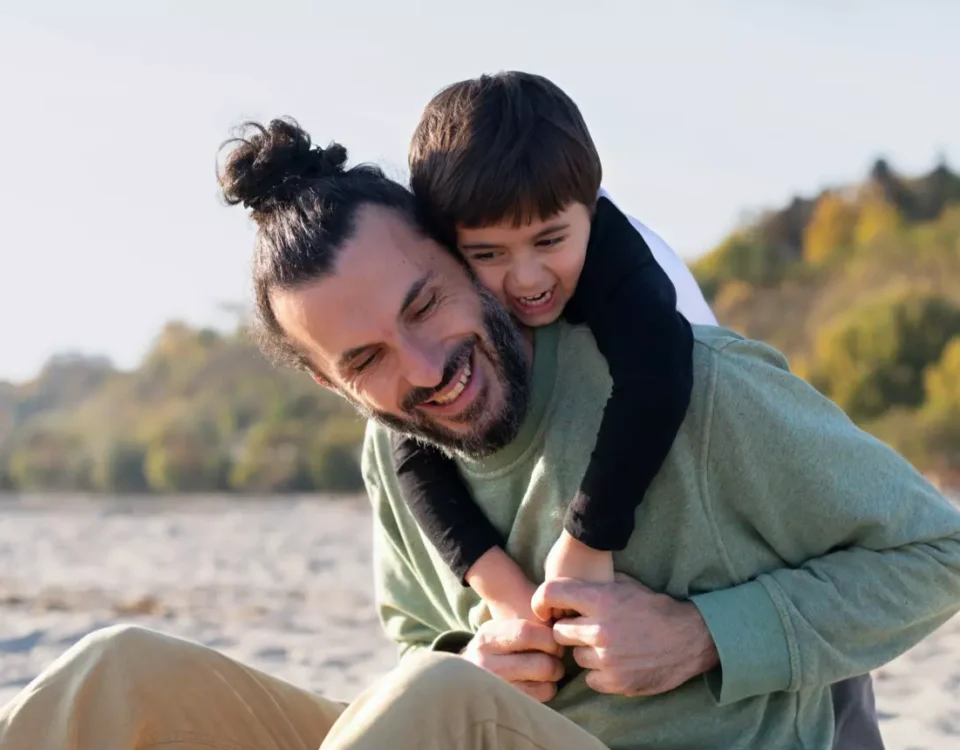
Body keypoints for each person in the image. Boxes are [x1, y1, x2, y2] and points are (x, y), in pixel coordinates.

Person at [3, 116, 960, 750]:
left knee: (433, 701)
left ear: (469, 258)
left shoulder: (700, 389)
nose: (422, 368)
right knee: (112, 673)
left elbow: (937, 548)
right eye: (366, 361)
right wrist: (473, 655)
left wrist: (706, 636)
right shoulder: (397, 449)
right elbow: (418, 634)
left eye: (424, 304)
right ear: (334, 385)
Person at [391, 72, 706, 624]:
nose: (527, 278)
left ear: (591, 207)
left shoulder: (622, 263)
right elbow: (413, 450)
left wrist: (587, 538)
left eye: (551, 241)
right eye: (488, 254)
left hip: (750, 500)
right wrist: (498, 587)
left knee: (841, 700)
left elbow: (658, 379)